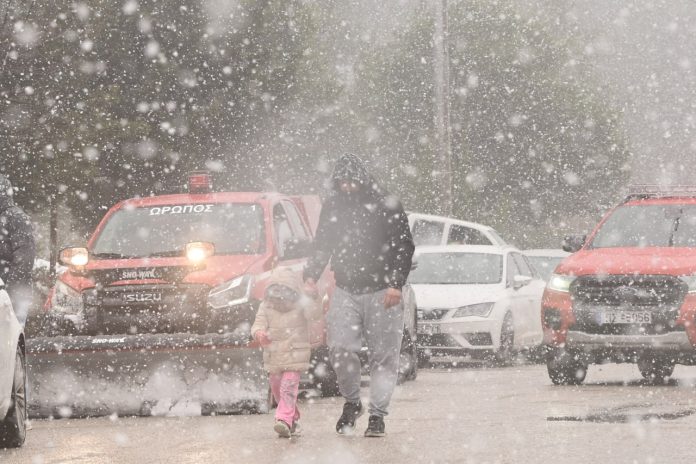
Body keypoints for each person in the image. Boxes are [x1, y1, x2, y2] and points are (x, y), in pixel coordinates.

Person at [303, 153, 415, 438]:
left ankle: (377, 415)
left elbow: (403, 245)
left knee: (384, 356)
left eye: (352, 182)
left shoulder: (386, 204)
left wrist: (395, 283)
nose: (348, 187)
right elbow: (322, 243)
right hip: (346, 288)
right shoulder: (333, 206)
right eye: (343, 182)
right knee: (339, 348)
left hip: (383, 291)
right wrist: (310, 276)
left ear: (363, 179)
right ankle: (352, 402)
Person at [250, 267, 322, 438]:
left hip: (295, 354)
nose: (281, 295)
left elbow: (315, 314)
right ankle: (293, 418)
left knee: (288, 387)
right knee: (277, 389)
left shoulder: (302, 304)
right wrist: (260, 334)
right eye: (276, 289)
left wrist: (313, 297)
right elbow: (257, 324)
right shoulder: (266, 306)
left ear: (293, 290)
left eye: (285, 289)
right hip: (274, 356)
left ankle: (283, 419)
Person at [0, 175, 35, 326]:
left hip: (12, 293)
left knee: (11, 338)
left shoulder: (15, 218)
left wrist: (9, 293)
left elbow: (24, 260)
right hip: (7, 291)